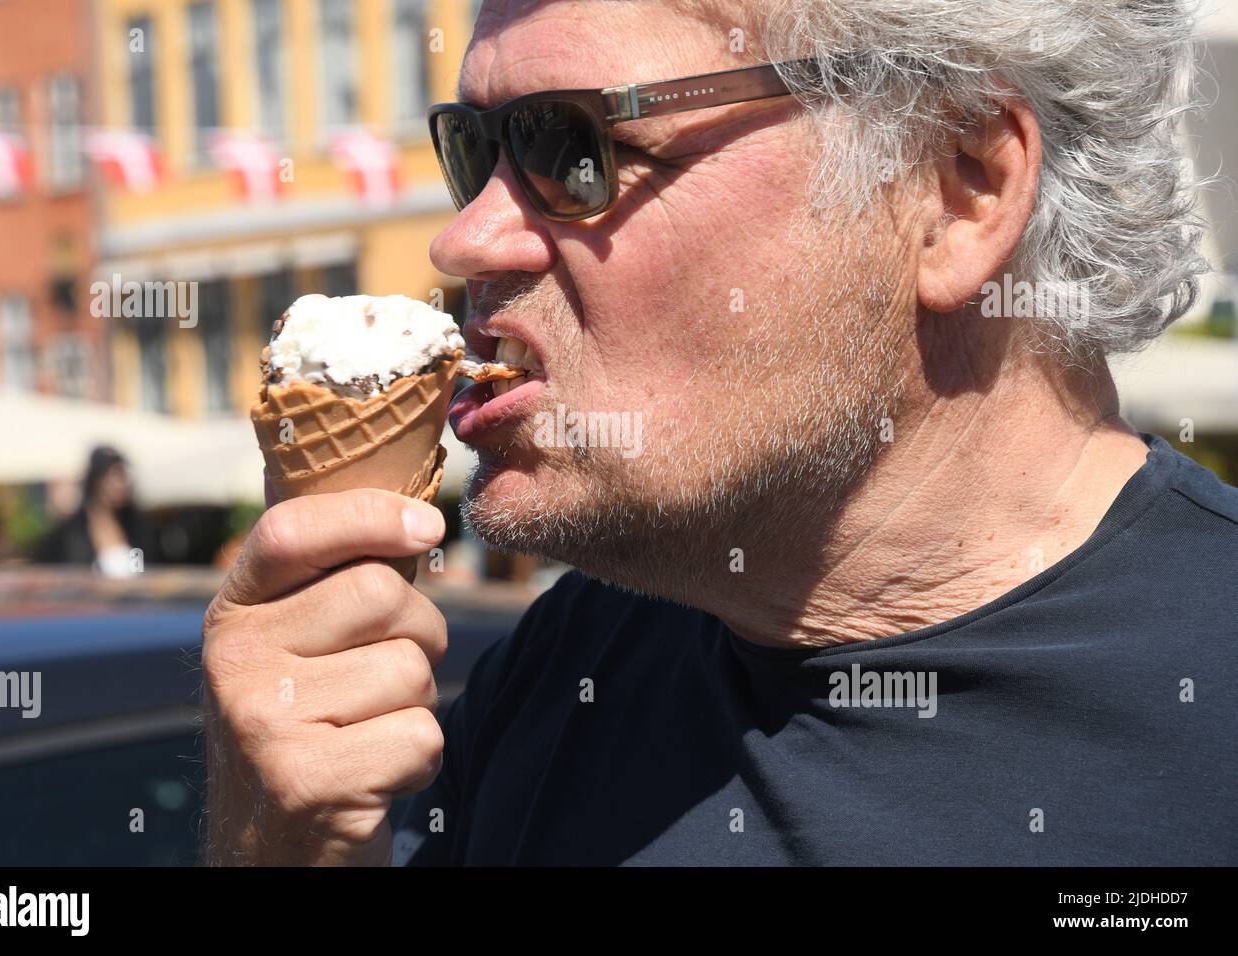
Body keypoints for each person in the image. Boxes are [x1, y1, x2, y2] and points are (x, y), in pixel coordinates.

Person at [202, 0, 1237, 865]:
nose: (464, 237)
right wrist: (280, 846)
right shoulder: (564, 672)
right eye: (474, 151)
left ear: (959, 187)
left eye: (574, 148)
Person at [37, 446, 151, 578]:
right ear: (96, 480)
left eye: (123, 476)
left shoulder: (137, 527)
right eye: (113, 475)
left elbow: (143, 572)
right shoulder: (70, 535)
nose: (121, 484)